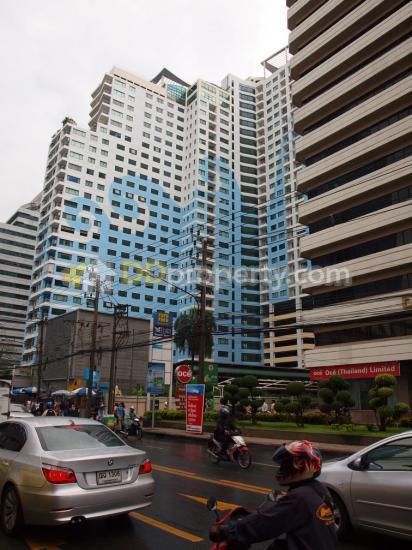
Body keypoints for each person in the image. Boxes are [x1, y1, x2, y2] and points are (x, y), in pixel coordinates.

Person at [210, 440, 337, 550]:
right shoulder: (320, 490)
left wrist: (225, 531)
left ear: (299, 464)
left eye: (285, 464)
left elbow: (263, 524)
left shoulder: (299, 497)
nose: (281, 468)